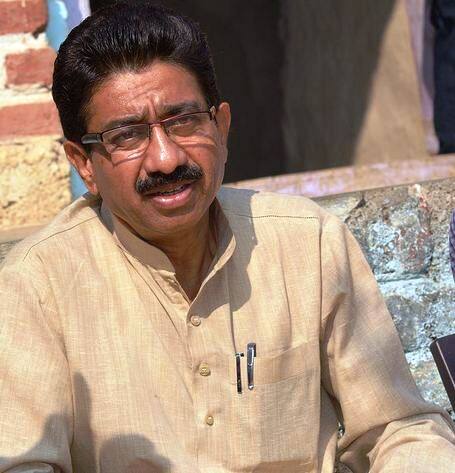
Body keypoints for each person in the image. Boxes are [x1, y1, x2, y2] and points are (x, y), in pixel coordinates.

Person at [0, 2, 454, 472]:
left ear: (221, 127)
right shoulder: (38, 287)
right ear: (83, 164)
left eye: (183, 121)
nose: (165, 159)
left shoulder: (309, 244)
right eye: (127, 136)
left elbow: (398, 429)